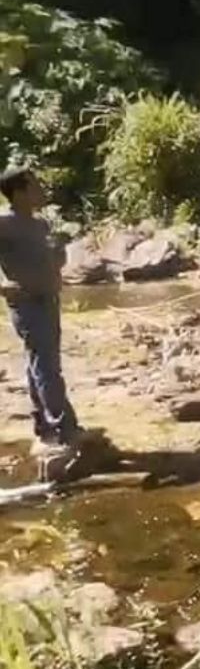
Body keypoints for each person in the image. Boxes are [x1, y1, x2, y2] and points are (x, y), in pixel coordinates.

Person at [0, 168, 86, 464]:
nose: (42, 189)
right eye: (35, 185)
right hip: (27, 304)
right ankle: (63, 430)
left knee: (41, 363)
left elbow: (51, 260)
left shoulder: (41, 225)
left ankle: (45, 424)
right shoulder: (5, 223)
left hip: (48, 300)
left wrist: (58, 256)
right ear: (20, 192)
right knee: (46, 367)